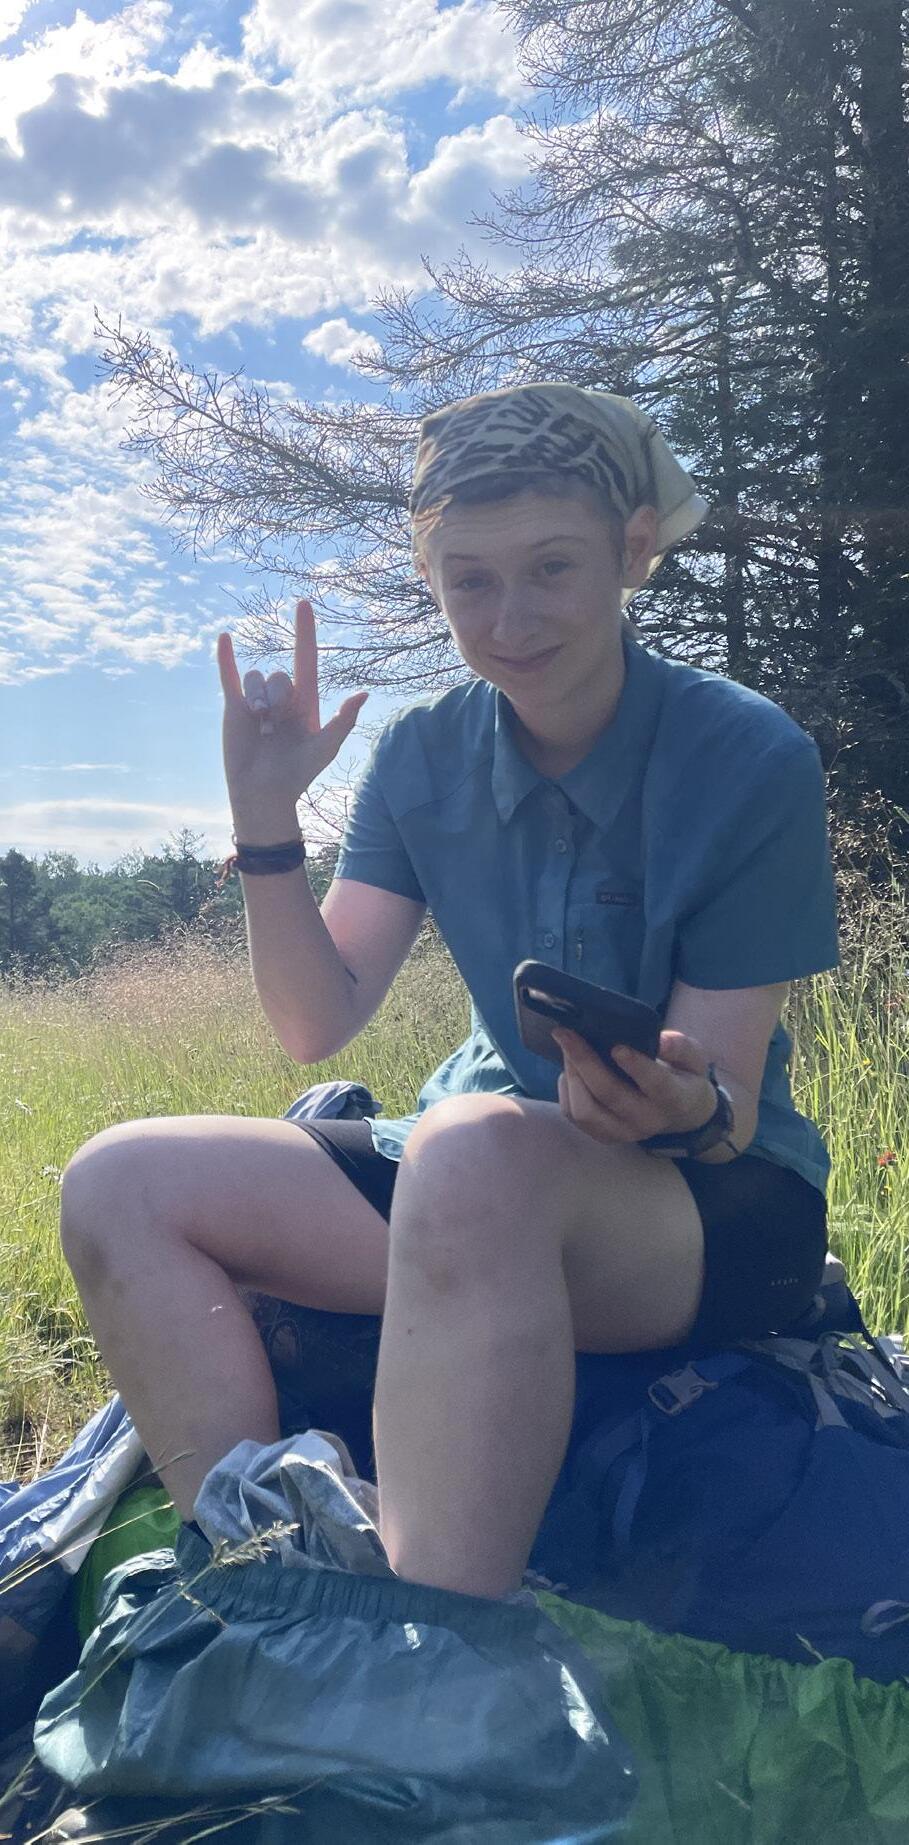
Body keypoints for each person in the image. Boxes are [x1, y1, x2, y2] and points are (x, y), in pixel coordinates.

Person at [60, 382, 840, 1602]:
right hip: (462, 1178)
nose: (510, 618)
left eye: (552, 567)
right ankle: (263, 1577)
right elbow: (315, 1021)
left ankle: (436, 1639)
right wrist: (265, 817)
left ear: (634, 550)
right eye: (469, 579)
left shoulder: (748, 755)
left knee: (471, 1150)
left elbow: (728, 1110)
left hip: (710, 1206)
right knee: (119, 1180)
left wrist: (678, 1106)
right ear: (431, 579)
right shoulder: (423, 754)